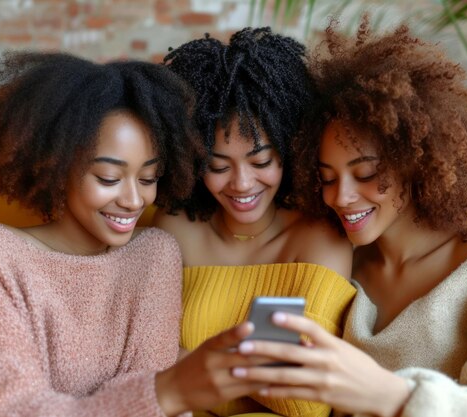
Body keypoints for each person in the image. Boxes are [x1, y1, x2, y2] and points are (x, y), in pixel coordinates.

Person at [229, 19, 467, 417]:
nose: (342, 196)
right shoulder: (339, 263)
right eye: (327, 177)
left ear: (415, 161)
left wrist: (393, 396)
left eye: (366, 174)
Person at [0, 51, 269, 416]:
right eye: (108, 178)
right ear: (56, 166)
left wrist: (166, 393)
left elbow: (149, 390)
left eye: (148, 178)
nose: (132, 199)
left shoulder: (153, 255)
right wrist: (166, 392)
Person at [152, 27, 356, 416]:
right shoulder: (175, 229)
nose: (242, 184)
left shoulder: (320, 236)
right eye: (217, 166)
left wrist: (193, 372)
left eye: (261, 162)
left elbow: (301, 401)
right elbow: (142, 365)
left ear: (290, 149)